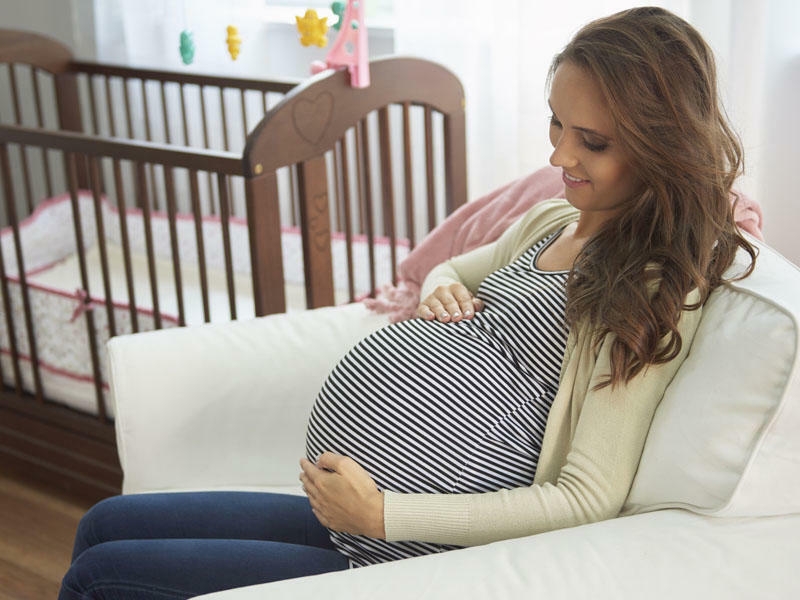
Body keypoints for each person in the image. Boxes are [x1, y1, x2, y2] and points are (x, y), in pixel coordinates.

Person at [59, 6, 757, 598]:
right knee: (101, 522)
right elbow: (454, 265)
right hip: (354, 516)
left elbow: (586, 497)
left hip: (404, 547)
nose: (559, 158)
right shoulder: (554, 221)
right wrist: (440, 286)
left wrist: (383, 513)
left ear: (661, 145)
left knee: (100, 573)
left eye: (592, 143)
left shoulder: (650, 286)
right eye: (557, 126)